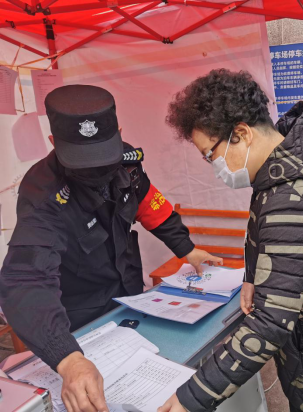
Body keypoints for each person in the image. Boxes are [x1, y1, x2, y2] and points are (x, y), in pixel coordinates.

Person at [159, 69, 303, 413]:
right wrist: (252, 276)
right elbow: (268, 231)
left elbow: (271, 323)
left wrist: (194, 395)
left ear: (241, 134)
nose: (212, 166)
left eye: (210, 154)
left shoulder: (291, 198)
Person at [0, 85, 221, 413]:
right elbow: (25, 281)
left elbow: (149, 203)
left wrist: (186, 249)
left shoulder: (127, 161)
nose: (96, 169)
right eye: (82, 160)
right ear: (53, 143)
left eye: (103, 156)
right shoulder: (42, 193)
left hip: (128, 294)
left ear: (118, 133)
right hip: (80, 315)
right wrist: (67, 358)